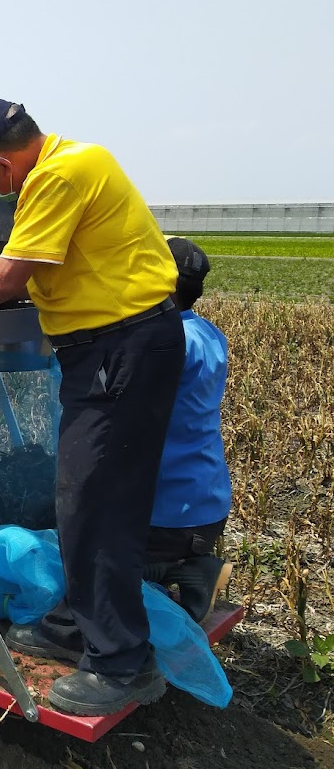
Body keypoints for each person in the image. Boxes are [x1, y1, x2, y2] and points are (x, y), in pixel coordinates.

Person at [0, 98, 184, 716]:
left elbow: (12, 274)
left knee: (97, 504)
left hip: (120, 351)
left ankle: (120, 660)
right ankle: (78, 622)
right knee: (87, 496)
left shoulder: (57, 173)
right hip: (107, 352)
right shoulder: (70, 165)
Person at [144, 237, 232, 623]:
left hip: (171, 513)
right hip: (207, 499)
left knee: (96, 572)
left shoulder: (165, 343)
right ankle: (192, 565)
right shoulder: (208, 333)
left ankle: (183, 571)